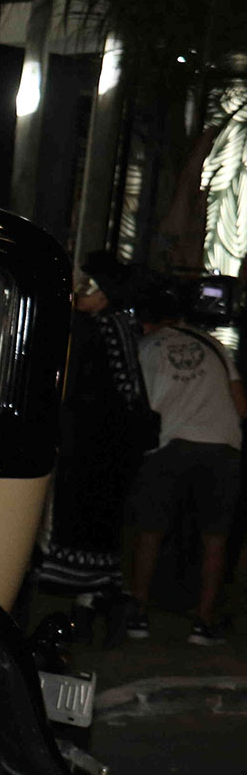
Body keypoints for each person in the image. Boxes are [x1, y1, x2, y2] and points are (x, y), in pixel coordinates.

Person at [28, 254, 150, 617]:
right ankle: (90, 596)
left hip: (95, 443)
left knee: (83, 514)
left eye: (87, 286)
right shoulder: (107, 326)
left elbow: (125, 391)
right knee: (87, 515)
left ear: (104, 292)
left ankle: (89, 594)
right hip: (94, 441)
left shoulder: (103, 326)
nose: (80, 294)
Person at [124, 284, 247, 644]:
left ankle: (138, 613)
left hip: (169, 445)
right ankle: (203, 621)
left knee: (149, 531)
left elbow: (137, 403)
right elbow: (242, 407)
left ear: (145, 323)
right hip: (222, 447)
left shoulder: (146, 348)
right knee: (215, 538)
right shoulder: (216, 346)